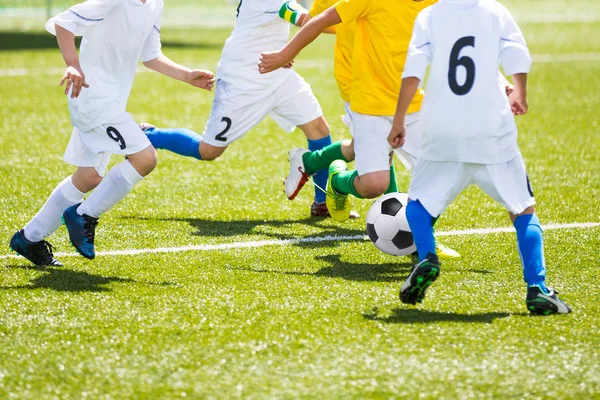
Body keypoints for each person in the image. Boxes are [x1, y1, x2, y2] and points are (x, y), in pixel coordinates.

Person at [388, 0, 570, 315]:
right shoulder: (494, 12)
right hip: (491, 131)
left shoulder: (429, 15)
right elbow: (517, 56)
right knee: (521, 207)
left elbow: (413, 72)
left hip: (442, 128)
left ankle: (428, 256)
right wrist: (519, 94)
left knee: (418, 202)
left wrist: (399, 120)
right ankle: (537, 288)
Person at [9, 0, 215, 266]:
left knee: (88, 177)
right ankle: (85, 215)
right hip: (92, 99)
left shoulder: (155, 4)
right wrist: (73, 64)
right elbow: (63, 23)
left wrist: (187, 76)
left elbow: (150, 55)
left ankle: (29, 238)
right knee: (145, 159)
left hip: (111, 102)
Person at [259, 0, 461, 259]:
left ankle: (418, 236)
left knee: (438, 176)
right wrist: (286, 48)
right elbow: (320, 20)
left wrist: (499, 81)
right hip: (365, 93)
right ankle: (338, 181)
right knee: (374, 183)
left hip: (411, 102)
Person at [140, 0, 357, 218]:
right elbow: (311, 22)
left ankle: (322, 202)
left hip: (277, 75)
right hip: (242, 81)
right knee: (208, 151)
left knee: (319, 129)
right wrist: (359, 19)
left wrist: (286, 51)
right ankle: (150, 136)